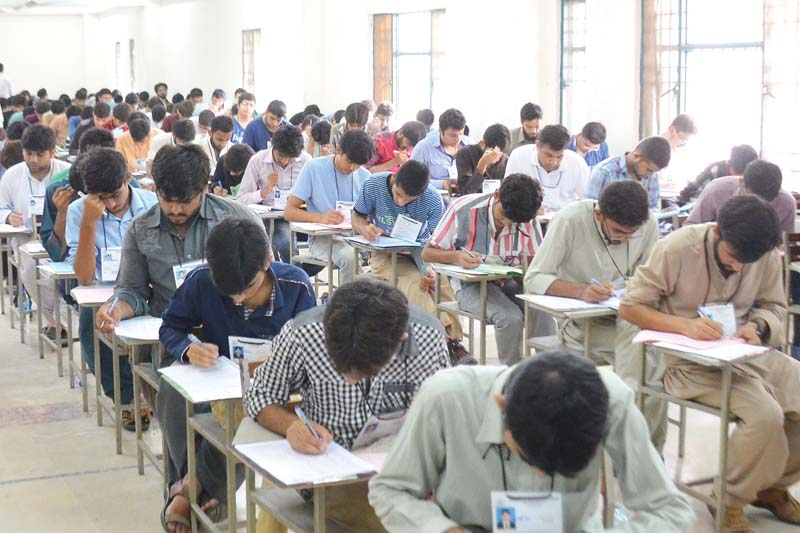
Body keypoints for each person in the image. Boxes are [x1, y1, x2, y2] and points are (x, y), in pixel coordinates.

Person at [618, 195, 800, 531]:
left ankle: (770, 487)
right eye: (733, 258)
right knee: (765, 416)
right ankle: (727, 499)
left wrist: (758, 326)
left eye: (748, 262)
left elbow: (774, 307)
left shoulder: (759, 252)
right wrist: (685, 325)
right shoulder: (676, 248)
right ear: (716, 232)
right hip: (688, 362)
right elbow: (630, 307)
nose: (739, 268)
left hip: (746, 352)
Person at [368, 351, 694, 532]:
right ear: (501, 406)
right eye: (530, 457)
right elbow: (390, 489)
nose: (541, 474)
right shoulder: (447, 398)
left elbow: (670, 510)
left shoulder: (611, 401)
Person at [245, 278, 450, 533]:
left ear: (402, 339)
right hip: (329, 471)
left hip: (400, 472)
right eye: (341, 368)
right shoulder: (304, 334)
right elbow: (259, 394)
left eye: (362, 371)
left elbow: (444, 418)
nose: (349, 380)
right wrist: (292, 426)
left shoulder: (429, 339)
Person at [158, 217, 315, 533]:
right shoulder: (202, 280)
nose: (239, 299)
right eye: (229, 292)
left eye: (248, 289)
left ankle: (193, 487)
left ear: (268, 262)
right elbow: (170, 327)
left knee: (250, 412)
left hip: (278, 391)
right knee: (173, 392)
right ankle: (203, 486)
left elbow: (312, 353)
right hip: (219, 380)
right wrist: (189, 349)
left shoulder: (296, 286)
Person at [94, 144, 259, 353]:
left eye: (185, 201)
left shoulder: (239, 220)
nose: (175, 210)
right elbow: (132, 290)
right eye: (166, 200)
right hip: (171, 336)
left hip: (232, 333)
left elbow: (263, 281)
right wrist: (114, 308)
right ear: (155, 189)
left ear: (204, 188)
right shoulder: (141, 229)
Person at [65, 148, 158, 430]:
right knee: (92, 325)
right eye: (100, 198)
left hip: (146, 288)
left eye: (115, 195)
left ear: (128, 178)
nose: (111, 204)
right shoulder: (79, 211)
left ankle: (157, 392)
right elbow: (83, 277)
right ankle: (128, 400)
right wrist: (89, 224)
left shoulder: (151, 203)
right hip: (101, 291)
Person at [351, 159, 472, 364]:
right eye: (398, 195)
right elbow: (357, 216)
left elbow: (434, 244)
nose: (400, 202)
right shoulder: (373, 185)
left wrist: (429, 270)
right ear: (395, 177)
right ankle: (440, 339)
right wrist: (365, 229)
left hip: (419, 250)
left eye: (408, 200)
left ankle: (454, 342)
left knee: (441, 283)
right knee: (416, 285)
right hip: (385, 252)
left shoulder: (433, 201)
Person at [524, 180, 658, 364]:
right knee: (639, 349)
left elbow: (648, 279)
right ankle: (633, 393)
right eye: (618, 231)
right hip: (580, 322)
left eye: (632, 234)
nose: (625, 239)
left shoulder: (649, 223)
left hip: (627, 315)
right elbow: (533, 278)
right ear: (598, 214)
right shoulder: (569, 220)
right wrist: (582, 291)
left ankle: (636, 391)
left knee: (659, 346)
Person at [423, 174, 553, 364]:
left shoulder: (527, 216)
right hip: (469, 285)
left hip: (508, 280)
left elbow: (533, 264)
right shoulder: (463, 209)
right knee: (509, 318)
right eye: (503, 217)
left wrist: (524, 274)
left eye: (513, 222)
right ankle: (512, 377)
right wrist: (458, 257)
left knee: (542, 310)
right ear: (497, 194)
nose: (507, 224)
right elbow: (427, 253)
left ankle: (550, 370)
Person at [0, 125, 70, 341]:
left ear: (52, 152)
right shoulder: (12, 176)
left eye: (40, 155)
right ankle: (54, 320)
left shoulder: (66, 171)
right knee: (30, 271)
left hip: (63, 239)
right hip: (26, 238)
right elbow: (1, 207)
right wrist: (9, 216)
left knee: (65, 273)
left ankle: (62, 320)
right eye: (28, 154)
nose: (33, 160)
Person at [284, 129, 372, 286]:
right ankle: (346, 306)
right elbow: (289, 212)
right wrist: (321, 217)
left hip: (357, 237)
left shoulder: (365, 176)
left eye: (358, 165)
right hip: (323, 238)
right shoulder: (313, 168)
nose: (353, 169)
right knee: (349, 257)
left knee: (389, 260)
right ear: (338, 149)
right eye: (350, 162)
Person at [237, 126, 310, 262]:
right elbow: (241, 199)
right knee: (286, 243)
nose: (284, 161)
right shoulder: (257, 161)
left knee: (325, 251)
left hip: (303, 214)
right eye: (281, 156)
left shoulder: (306, 161)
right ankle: (295, 278)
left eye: (290, 158)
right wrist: (264, 192)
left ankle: (292, 274)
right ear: (272, 144)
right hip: (275, 218)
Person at [41, 127, 115, 262]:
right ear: (80, 155)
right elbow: (55, 254)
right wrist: (62, 214)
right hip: (73, 273)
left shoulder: (127, 188)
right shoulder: (59, 192)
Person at [685, 159, 795, 233]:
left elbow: (783, 245)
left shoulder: (786, 203)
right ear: (741, 181)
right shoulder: (717, 190)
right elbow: (691, 228)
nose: (760, 206)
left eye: (768, 201)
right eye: (754, 199)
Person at [505, 124, 589, 211]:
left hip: (565, 219)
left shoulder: (578, 163)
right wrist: (528, 208)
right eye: (549, 155)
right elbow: (507, 194)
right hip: (526, 216)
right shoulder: (519, 156)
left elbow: (587, 200)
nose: (553, 162)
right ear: (537, 145)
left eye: (559, 156)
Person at [585, 136, 671, 211]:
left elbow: (653, 209)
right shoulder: (605, 172)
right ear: (636, 156)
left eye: (653, 171)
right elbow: (589, 210)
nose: (649, 175)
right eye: (648, 170)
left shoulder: (652, 176)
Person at [411, 108, 470, 190]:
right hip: (434, 196)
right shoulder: (423, 148)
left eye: (461, 134)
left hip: (464, 196)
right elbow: (413, 180)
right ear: (441, 131)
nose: (458, 139)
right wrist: (441, 184)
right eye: (453, 135)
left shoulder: (470, 144)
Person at [679, 145, 759, 205]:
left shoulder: (754, 177)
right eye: (737, 175)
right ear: (729, 164)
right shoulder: (715, 170)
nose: (738, 181)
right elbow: (688, 191)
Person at [456, 123, 510, 195]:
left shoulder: (506, 160)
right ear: (482, 143)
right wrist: (483, 163)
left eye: (500, 154)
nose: (496, 158)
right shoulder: (465, 154)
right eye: (493, 153)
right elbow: (465, 192)